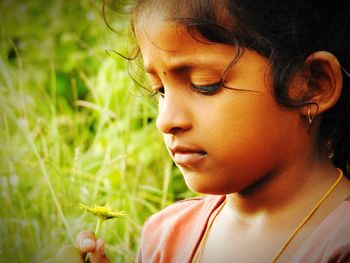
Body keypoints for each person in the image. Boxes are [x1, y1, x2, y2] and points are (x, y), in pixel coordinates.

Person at [54, 0, 350, 262]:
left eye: (203, 84)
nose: (165, 120)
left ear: (312, 85)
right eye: (160, 91)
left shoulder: (339, 243)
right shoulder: (165, 236)